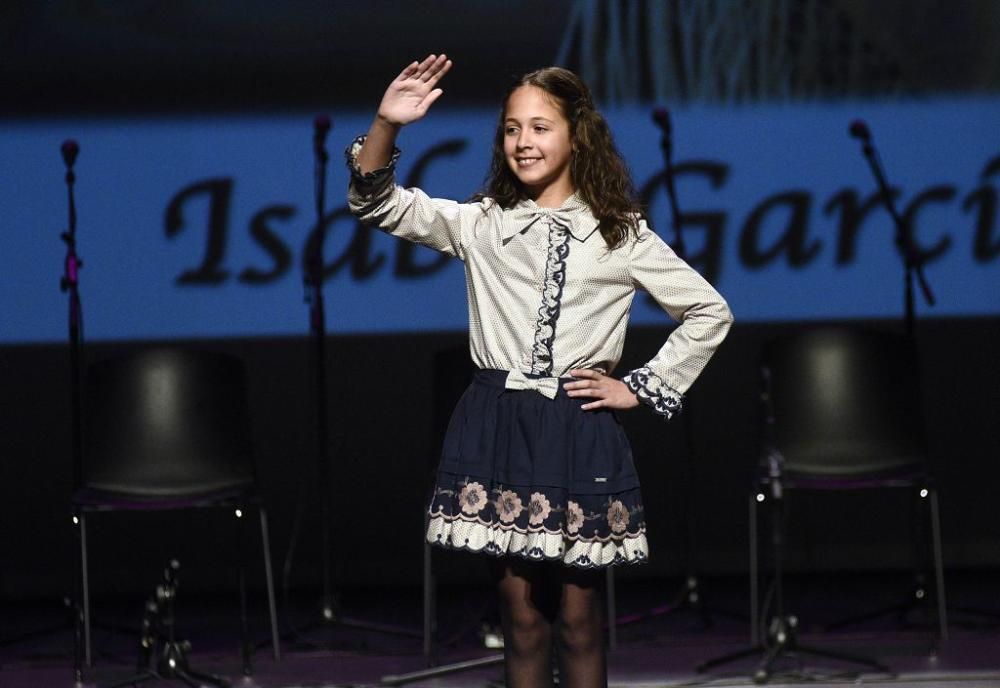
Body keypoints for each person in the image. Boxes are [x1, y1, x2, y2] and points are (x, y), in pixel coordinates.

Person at [347, 54, 732, 688]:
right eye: (511, 128)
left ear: (576, 134)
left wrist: (638, 387)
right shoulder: (483, 224)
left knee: (578, 619)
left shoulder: (619, 234)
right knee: (521, 618)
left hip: (576, 427)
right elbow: (375, 203)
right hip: (497, 424)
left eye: (540, 127)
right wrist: (387, 125)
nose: (523, 142)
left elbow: (708, 311)